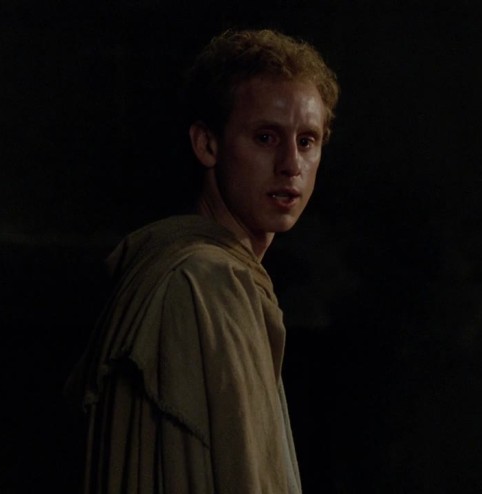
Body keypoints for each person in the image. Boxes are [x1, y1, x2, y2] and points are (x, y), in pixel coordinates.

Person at [66, 28, 339, 493]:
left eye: (307, 141)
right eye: (266, 137)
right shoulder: (207, 282)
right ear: (207, 144)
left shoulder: (189, 269)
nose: (291, 164)